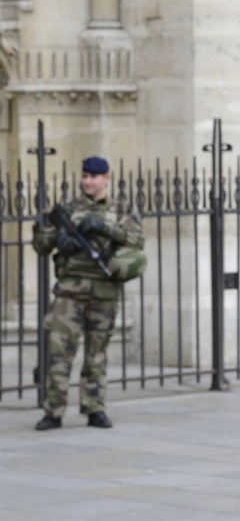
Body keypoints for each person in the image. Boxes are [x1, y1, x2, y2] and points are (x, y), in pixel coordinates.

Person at [32, 156, 145, 431]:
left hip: (104, 294)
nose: (88, 181)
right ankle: (53, 411)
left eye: (94, 177)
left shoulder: (121, 210)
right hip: (69, 293)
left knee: (97, 355)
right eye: (85, 176)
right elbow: (40, 243)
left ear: (107, 178)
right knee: (59, 354)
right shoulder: (67, 210)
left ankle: (95, 409)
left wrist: (104, 226)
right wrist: (58, 240)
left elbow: (137, 239)